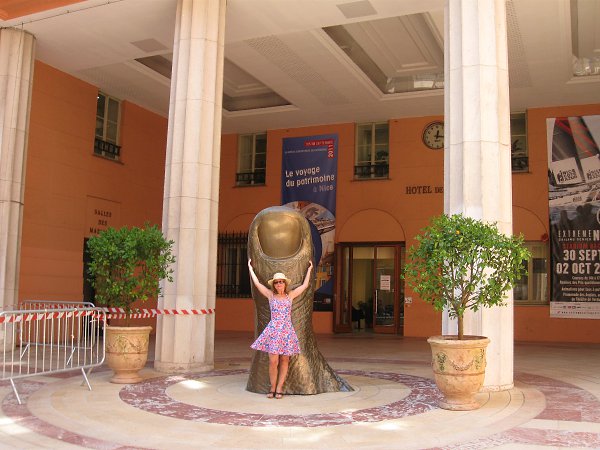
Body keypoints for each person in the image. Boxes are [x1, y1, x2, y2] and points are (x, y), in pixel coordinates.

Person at [247, 258, 313, 399]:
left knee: (284, 360)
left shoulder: (290, 296)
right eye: (276, 282)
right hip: (274, 331)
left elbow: (305, 285)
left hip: (287, 331)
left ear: (285, 283)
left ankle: (279, 388)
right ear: (274, 285)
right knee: (273, 361)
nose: (279, 284)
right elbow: (257, 284)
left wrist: (309, 269)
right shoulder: (271, 296)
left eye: (281, 282)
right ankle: (272, 387)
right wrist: (250, 268)